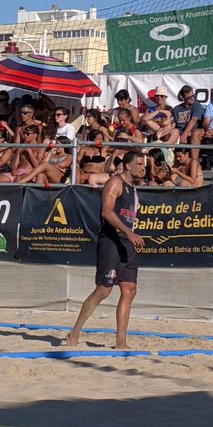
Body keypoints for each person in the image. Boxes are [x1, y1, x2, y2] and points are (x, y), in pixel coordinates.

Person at [65, 150, 146, 350]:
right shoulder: (115, 183)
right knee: (104, 289)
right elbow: (106, 212)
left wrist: (129, 234)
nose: (144, 168)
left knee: (129, 289)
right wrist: (128, 232)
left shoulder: (133, 187)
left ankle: (121, 341)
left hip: (127, 241)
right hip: (112, 239)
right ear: (128, 166)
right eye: (140, 164)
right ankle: (74, 331)